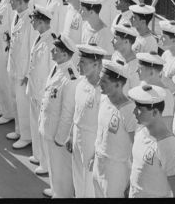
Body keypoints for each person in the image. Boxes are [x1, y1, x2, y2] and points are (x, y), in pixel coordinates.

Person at [38, 34, 78, 198]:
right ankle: (56, 190)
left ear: (64, 54)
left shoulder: (70, 77)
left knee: (61, 168)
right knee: (53, 165)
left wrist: (61, 137)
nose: (52, 51)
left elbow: (68, 112)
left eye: (56, 49)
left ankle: (63, 195)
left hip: (57, 133)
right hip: (49, 126)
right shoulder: (57, 67)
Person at [128, 83, 175, 198]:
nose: (134, 112)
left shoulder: (169, 146)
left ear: (155, 112)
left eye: (139, 110)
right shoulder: (140, 131)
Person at [66, 43, 106, 198]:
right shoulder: (81, 82)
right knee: (77, 177)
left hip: (92, 141)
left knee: (89, 183)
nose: (78, 65)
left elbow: (103, 126)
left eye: (83, 62)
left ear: (96, 64)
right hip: (78, 136)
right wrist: (71, 135)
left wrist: (97, 154)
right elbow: (76, 112)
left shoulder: (102, 91)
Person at [93, 59, 137, 198]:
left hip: (116, 170)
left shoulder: (130, 111)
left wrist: (133, 180)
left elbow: (136, 148)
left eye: (104, 82)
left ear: (118, 84)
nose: (99, 84)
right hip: (98, 162)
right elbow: (101, 132)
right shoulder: (105, 100)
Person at [26, 5, 55, 177]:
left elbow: (51, 71)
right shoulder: (40, 37)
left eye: (34, 20)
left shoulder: (51, 42)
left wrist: (45, 94)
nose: (31, 22)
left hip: (41, 91)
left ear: (41, 21)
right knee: (36, 124)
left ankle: (46, 163)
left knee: (43, 129)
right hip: (34, 88)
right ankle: (38, 156)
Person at [7, 0, 33, 149]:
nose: (10, 2)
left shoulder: (30, 21)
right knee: (16, 101)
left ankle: (26, 136)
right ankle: (18, 129)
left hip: (22, 71)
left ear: (21, 2)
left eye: (13, 0)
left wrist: (28, 73)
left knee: (23, 104)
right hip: (14, 67)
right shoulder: (16, 16)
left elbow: (32, 49)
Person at [136, 51, 175, 129]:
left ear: (152, 72)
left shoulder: (165, 96)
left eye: (140, 69)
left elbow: (166, 125)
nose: (137, 71)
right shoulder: (142, 84)